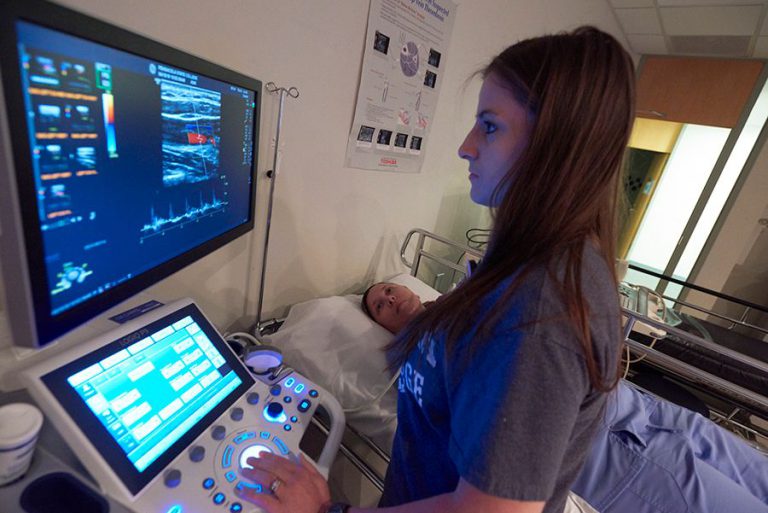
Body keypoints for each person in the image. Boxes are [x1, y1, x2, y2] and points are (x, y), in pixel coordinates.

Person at [238, 26, 634, 513]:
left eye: (489, 126)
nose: (466, 146)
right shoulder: (516, 264)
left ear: (556, 144)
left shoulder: (540, 310)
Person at [362, 282, 768, 512]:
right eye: (380, 306)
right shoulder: (416, 359)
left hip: (630, 403)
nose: (390, 299)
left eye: (389, 290)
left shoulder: (464, 294)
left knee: (755, 470)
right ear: (383, 326)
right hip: (609, 449)